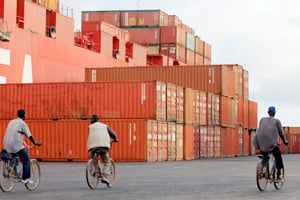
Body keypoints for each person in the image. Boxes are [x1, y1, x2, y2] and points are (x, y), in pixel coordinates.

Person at [2, 109, 42, 184]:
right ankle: (25, 178)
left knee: (14, 155)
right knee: (26, 159)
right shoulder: (23, 124)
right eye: (25, 115)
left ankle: (12, 168)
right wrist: (35, 142)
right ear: (24, 116)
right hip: (15, 146)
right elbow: (29, 135)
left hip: (6, 145)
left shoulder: (12, 122)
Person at [253, 106, 288, 181]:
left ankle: (261, 169)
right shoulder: (277, 121)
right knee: (278, 157)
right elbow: (281, 133)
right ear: (275, 113)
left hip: (260, 143)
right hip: (271, 144)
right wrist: (285, 141)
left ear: (268, 112)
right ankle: (278, 175)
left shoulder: (262, 120)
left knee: (265, 155)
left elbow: (262, 131)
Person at [87, 114, 118, 185]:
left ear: (92, 121)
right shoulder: (104, 126)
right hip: (103, 147)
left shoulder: (90, 127)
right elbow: (113, 134)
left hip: (93, 147)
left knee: (93, 158)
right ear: (98, 120)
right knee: (107, 161)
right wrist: (115, 139)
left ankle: (95, 171)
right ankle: (104, 176)